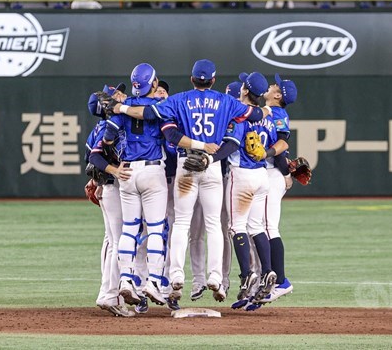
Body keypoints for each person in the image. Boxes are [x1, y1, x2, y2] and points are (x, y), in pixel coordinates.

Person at [104, 59, 273, 307]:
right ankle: (215, 277)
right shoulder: (227, 101)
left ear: (192, 79)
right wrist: (266, 111)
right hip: (212, 165)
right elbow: (255, 113)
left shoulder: (179, 99)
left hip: (186, 165)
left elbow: (155, 118)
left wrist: (120, 109)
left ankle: (175, 276)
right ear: (213, 80)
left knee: (180, 224)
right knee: (214, 224)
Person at [91, 64, 171, 309]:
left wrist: (118, 112)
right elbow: (169, 136)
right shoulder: (159, 105)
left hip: (127, 172)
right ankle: (154, 282)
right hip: (152, 169)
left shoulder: (118, 111)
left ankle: (126, 278)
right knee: (156, 229)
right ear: (154, 82)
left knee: (128, 229)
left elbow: (107, 139)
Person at [225, 72, 278, 310]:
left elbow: (232, 141)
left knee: (237, 226)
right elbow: (275, 138)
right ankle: (267, 271)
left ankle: (247, 274)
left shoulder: (239, 113)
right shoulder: (267, 116)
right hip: (262, 175)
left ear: (245, 91)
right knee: (257, 227)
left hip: (242, 173)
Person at [251, 74, 299, 310]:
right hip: (265, 174)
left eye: (274, 86)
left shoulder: (278, 114)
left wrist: (287, 174)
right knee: (260, 226)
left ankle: (280, 281)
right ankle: (267, 278)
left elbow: (281, 148)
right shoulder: (266, 111)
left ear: (278, 95)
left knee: (269, 227)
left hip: (272, 174)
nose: (270, 86)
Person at [85, 84, 133, 317]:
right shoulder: (107, 125)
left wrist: (97, 180)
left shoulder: (102, 125)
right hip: (113, 188)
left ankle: (109, 293)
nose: (121, 95)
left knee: (112, 240)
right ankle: (108, 294)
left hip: (108, 187)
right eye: (115, 94)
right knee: (118, 242)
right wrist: (113, 170)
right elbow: (94, 157)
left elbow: (90, 160)